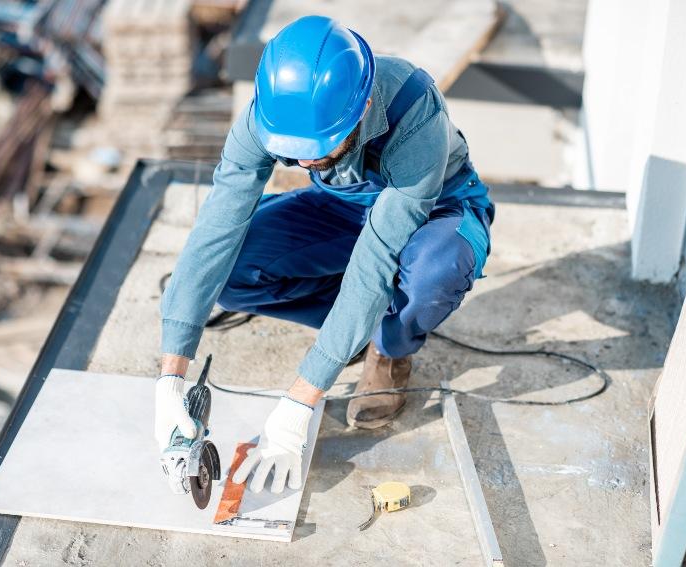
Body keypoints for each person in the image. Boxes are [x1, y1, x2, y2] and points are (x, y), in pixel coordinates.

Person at [154, 15, 494, 495]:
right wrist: (170, 375)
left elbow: (376, 258)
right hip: (344, 206)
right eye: (289, 153)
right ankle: (350, 329)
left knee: (433, 274)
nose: (304, 162)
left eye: (314, 149)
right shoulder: (273, 111)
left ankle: (387, 347)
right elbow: (216, 225)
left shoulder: (416, 115)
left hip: (435, 210)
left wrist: (299, 402)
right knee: (228, 273)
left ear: (363, 108)